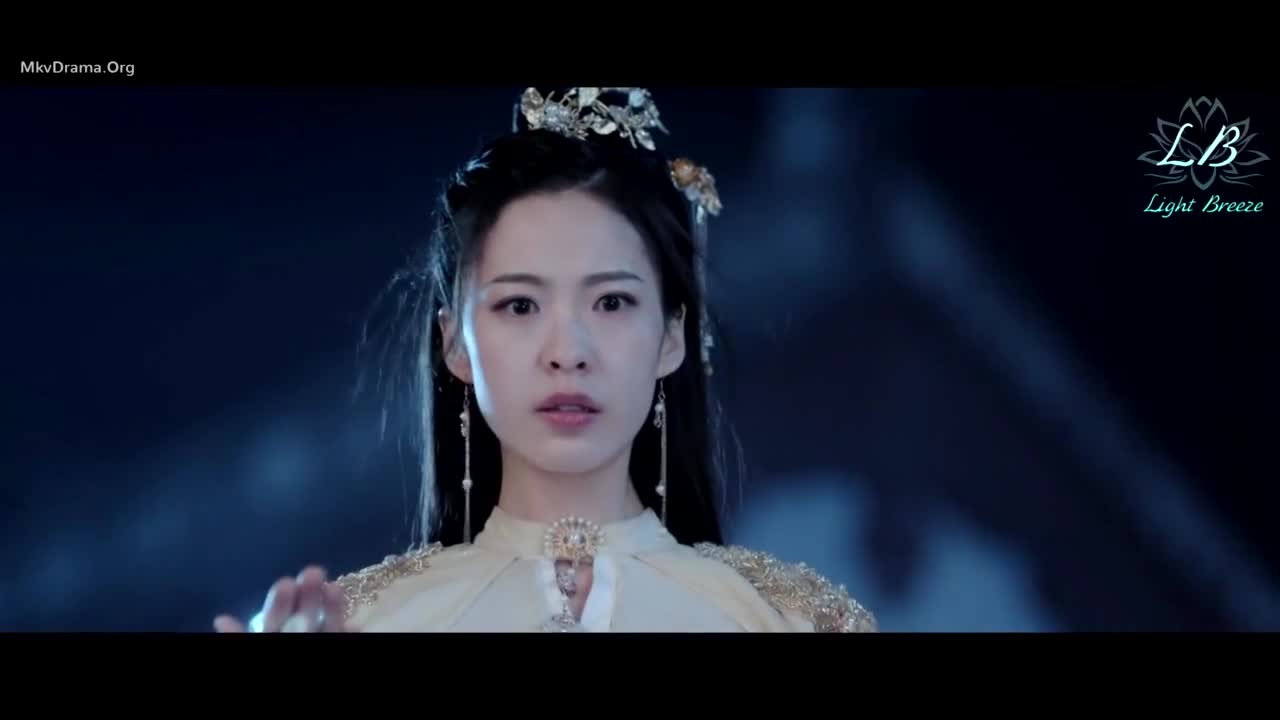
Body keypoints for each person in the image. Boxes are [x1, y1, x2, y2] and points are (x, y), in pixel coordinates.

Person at [212, 87, 877, 633]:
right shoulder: (365, 622)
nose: (568, 353)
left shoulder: (792, 621)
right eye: (521, 305)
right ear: (455, 344)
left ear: (671, 336)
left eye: (611, 302)